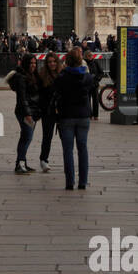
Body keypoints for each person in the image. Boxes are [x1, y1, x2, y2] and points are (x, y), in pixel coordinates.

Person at [53, 47, 94, 190]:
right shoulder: (87, 77)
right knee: (83, 149)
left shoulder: (62, 77)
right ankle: (83, 181)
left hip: (67, 116)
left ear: (67, 62)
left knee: (68, 150)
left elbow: (56, 89)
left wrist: (63, 70)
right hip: (83, 116)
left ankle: (70, 181)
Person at [10, 53, 41, 174]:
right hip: (25, 112)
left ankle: (21, 163)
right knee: (26, 137)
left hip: (32, 111)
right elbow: (22, 98)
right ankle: (20, 163)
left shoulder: (33, 75)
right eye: (31, 63)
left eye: (34, 63)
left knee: (27, 137)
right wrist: (28, 114)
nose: (33, 65)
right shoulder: (21, 77)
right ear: (25, 64)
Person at [36, 51, 62, 174]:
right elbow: (39, 95)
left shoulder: (62, 75)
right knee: (47, 136)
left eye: (54, 62)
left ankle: (67, 159)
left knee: (65, 137)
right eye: (50, 62)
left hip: (61, 111)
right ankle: (43, 159)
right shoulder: (42, 76)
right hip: (48, 110)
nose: (52, 64)